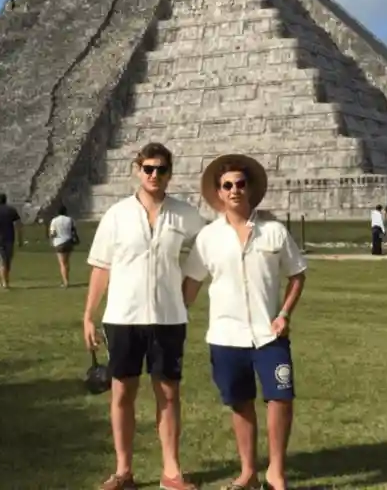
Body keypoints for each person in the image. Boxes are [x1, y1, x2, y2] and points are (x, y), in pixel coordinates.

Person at [83, 142, 207, 490]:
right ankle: (123, 470)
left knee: (168, 394)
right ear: (137, 169)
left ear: (170, 173)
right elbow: (100, 267)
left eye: (161, 169)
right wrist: (88, 315)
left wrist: (188, 293)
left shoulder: (185, 214)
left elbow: (209, 248)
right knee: (122, 393)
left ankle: (171, 471)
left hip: (168, 317)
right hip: (123, 316)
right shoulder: (117, 215)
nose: (154, 175)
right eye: (148, 168)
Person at [182, 154, 307, 490]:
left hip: (270, 334)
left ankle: (276, 472)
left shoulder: (274, 232)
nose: (234, 190)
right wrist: (168, 322)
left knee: (281, 398)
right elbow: (190, 287)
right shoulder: (208, 238)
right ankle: (248, 472)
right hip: (225, 335)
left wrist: (283, 314)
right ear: (219, 193)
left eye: (240, 184)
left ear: (250, 189)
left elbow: (297, 275)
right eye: (227, 186)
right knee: (240, 403)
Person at [48, 204, 79, 287]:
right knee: (67, 262)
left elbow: (52, 233)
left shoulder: (54, 220)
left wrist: (51, 240)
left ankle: (65, 281)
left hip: (59, 242)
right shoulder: (69, 219)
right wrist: (76, 239)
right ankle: (67, 278)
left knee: (62, 263)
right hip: (68, 241)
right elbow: (73, 231)